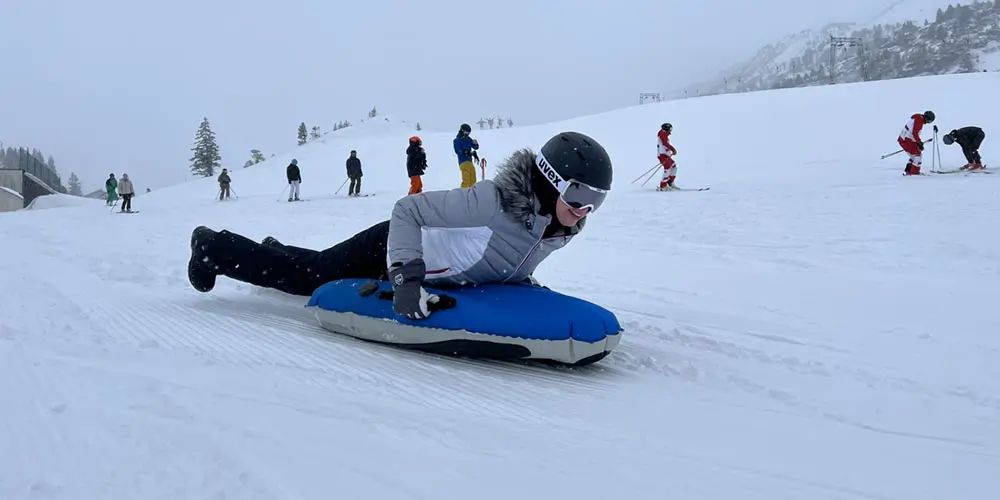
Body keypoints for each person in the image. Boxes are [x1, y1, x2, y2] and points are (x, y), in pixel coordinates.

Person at [186, 131, 613, 320]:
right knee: (305, 279)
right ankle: (213, 247)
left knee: (314, 263)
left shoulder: (558, 229)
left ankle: (273, 245)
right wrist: (406, 276)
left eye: (596, 201)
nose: (584, 210)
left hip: (422, 266)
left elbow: (504, 258)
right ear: (549, 182)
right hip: (390, 248)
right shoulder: (489, 202)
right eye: (579, 195)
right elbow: (407, 211)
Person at [897, 110, 935, 176]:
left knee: (913, 155)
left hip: (904, 139)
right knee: (918, 155)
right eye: (929, 121)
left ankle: (908, 171)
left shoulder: (918, 119)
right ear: (927, 118)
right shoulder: (919, 120)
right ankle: (914, 172)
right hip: (906, 140)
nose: (928, 123)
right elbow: (914, 133)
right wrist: (919, 142)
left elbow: (913, 133)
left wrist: (917, 143)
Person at [453, 123, 480, 188]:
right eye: (466, 132)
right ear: (462, 130)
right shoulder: (457, 140)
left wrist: (476, 144)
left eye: (469, 132)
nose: (467, 134)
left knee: (473, 179)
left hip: (469, 161)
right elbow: (457, 151)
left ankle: (472, 194)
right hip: (463, 162)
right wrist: (465, 152)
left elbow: (475, 147)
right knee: (466, 180)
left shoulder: (468, 139)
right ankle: (463, 194)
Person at [656, 123, 678, 190]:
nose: (671, 130)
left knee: (674, 166)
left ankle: (670, 182)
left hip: (666, 155)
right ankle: (663, 186)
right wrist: (673, 150)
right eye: (670, 129)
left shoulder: (664, 134)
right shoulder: (663, 135)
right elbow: (665, 144)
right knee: (668, 169)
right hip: (663, 156)